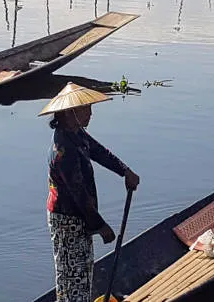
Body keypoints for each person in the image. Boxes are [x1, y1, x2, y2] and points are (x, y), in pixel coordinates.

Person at [39, 82, 140, 302]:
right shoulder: (63, 152)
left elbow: (99, 152)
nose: (90, 113)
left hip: (79, 216)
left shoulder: (77, 134)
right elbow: (80, 195)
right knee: (72, 275)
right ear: (68, 114)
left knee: (82, 270)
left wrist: (125, 171)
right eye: (85, 109)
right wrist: (101, 226)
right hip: (67, 220)